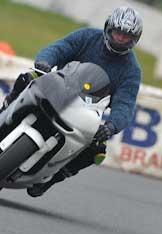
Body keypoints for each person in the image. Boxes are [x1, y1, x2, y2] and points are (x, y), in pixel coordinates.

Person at [0, 6, 143, 197]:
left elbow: (125, 103)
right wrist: (45, 62)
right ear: (108, 28)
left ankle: (54, 177)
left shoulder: (131, 71)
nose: (120, 39)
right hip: (60, 87)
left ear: (134, 39)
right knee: (27, 77)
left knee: (97, 150)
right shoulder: (87, 36)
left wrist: (112, 126)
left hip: (88, 108)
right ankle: (6, 111)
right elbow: (60, 48)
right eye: (117, 33)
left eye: (126, 37)